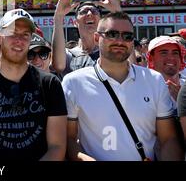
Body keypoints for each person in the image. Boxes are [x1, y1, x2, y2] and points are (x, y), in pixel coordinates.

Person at [62, 11, 183, 161]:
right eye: (112, 34)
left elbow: (168, 139)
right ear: (96, 37)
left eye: (127, 36)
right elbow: (68, 138)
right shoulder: (73, 82)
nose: (120, 41)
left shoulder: (154, 80)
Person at [0, 9, 67, 161]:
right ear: (0, 37)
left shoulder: (50, 84)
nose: (19, 40)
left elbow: (57, 147)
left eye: (25, 35)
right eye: (13, 33)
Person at [52, 0, 121, 78]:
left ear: (101, 21)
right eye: (83, 12)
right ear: (75, 23)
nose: (89, 14)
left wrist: (117, 11)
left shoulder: (111, 52)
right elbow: (58, 66)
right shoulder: (68, 55)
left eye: (94, 11)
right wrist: (58, 16)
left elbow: (131, 63)